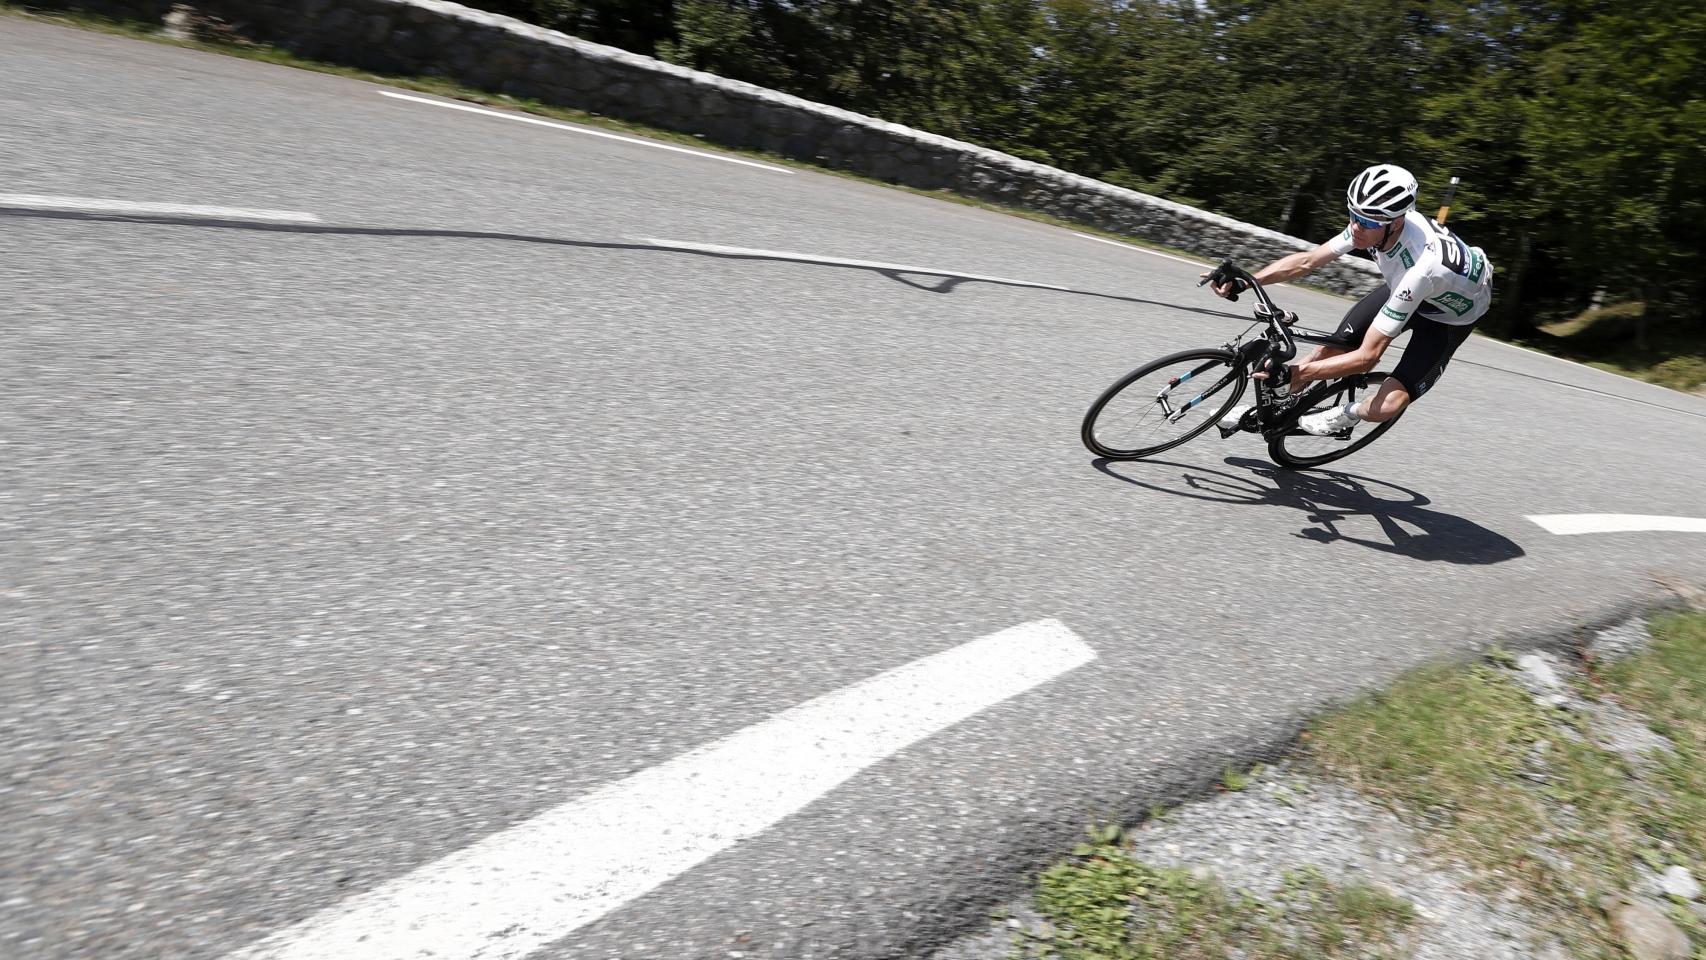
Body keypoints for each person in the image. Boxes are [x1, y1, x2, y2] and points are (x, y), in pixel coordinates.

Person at [1207, 164, 1494, 436]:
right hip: (1409, 288)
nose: (1356, 226)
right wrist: (1246, 281)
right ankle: (1270, 410)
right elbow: (1308, 261)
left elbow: (1368, 357)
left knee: (1390, 404)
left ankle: (1347, 413)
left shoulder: (1421, 269)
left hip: (1446, 318)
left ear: (1395, 224)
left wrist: (1296, 372)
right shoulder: (1372, 225)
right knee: (1326, 351)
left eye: (1366, 221)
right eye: (1352, 214)